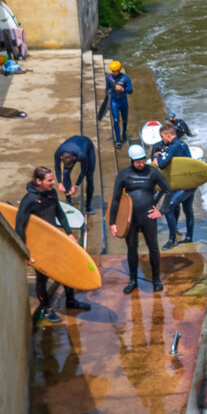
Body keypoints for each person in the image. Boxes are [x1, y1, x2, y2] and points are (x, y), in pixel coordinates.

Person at [15, 166, 92, 323]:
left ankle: (70, 301)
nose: (53, 182)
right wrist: (25, 251)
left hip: (54, 240)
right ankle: (46, 308)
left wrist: (69, 232)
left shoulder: (51, 194)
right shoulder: (29, 200)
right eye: (49, 180)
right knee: (42, 278)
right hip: (38, 245)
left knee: (66, 270)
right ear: (39, 181)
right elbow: (19, 226)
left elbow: (60, 214)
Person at [109, 145, 171, 293]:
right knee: (132, 248)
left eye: (143, 160)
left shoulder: (153, 172)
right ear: (131, 161)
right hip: (130, 219)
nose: (141, 164)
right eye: (137, 162)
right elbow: (116, 199)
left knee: (153, 247)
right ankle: (132, 280)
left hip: (148, 216)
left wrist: (161, 211)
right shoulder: (123, 175)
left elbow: (168, 190)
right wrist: (113, 222)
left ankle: (156, 280)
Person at [153, 122, 194, 249]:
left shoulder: (174, 146)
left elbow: (162, 163)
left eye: (162, 136)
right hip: (189, 183)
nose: (161, 139)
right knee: (187, 210)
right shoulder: (182, 144)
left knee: (168, 207)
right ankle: (188, 237)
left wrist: (157, 157)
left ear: (168, 135)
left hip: (184, 186)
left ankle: (172, 239)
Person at [54, 134, 96, 214]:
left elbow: (83, 171)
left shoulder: (82, 155)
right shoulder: (58, 153)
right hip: (72, 143)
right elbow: (57, 167)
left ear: (75, 159)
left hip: (87, 145)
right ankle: (68, 200)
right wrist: (59, 183)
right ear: (61, 158)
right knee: (66, 172)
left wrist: (76, 186)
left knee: (89, 177)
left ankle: (88, 207)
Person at [105, 60, 133, 148]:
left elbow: (131, 90)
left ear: (119, 70)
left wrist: (123, 89)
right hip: (114, 102)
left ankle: (124, 132)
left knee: (124, 120)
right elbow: (107, 90)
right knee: (116, 120)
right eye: (112, 71)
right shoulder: (109, 78)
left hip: (123, 101)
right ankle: (118, 140)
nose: (114, 73)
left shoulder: (125, 78)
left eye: (115, 71)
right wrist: (107, 103)